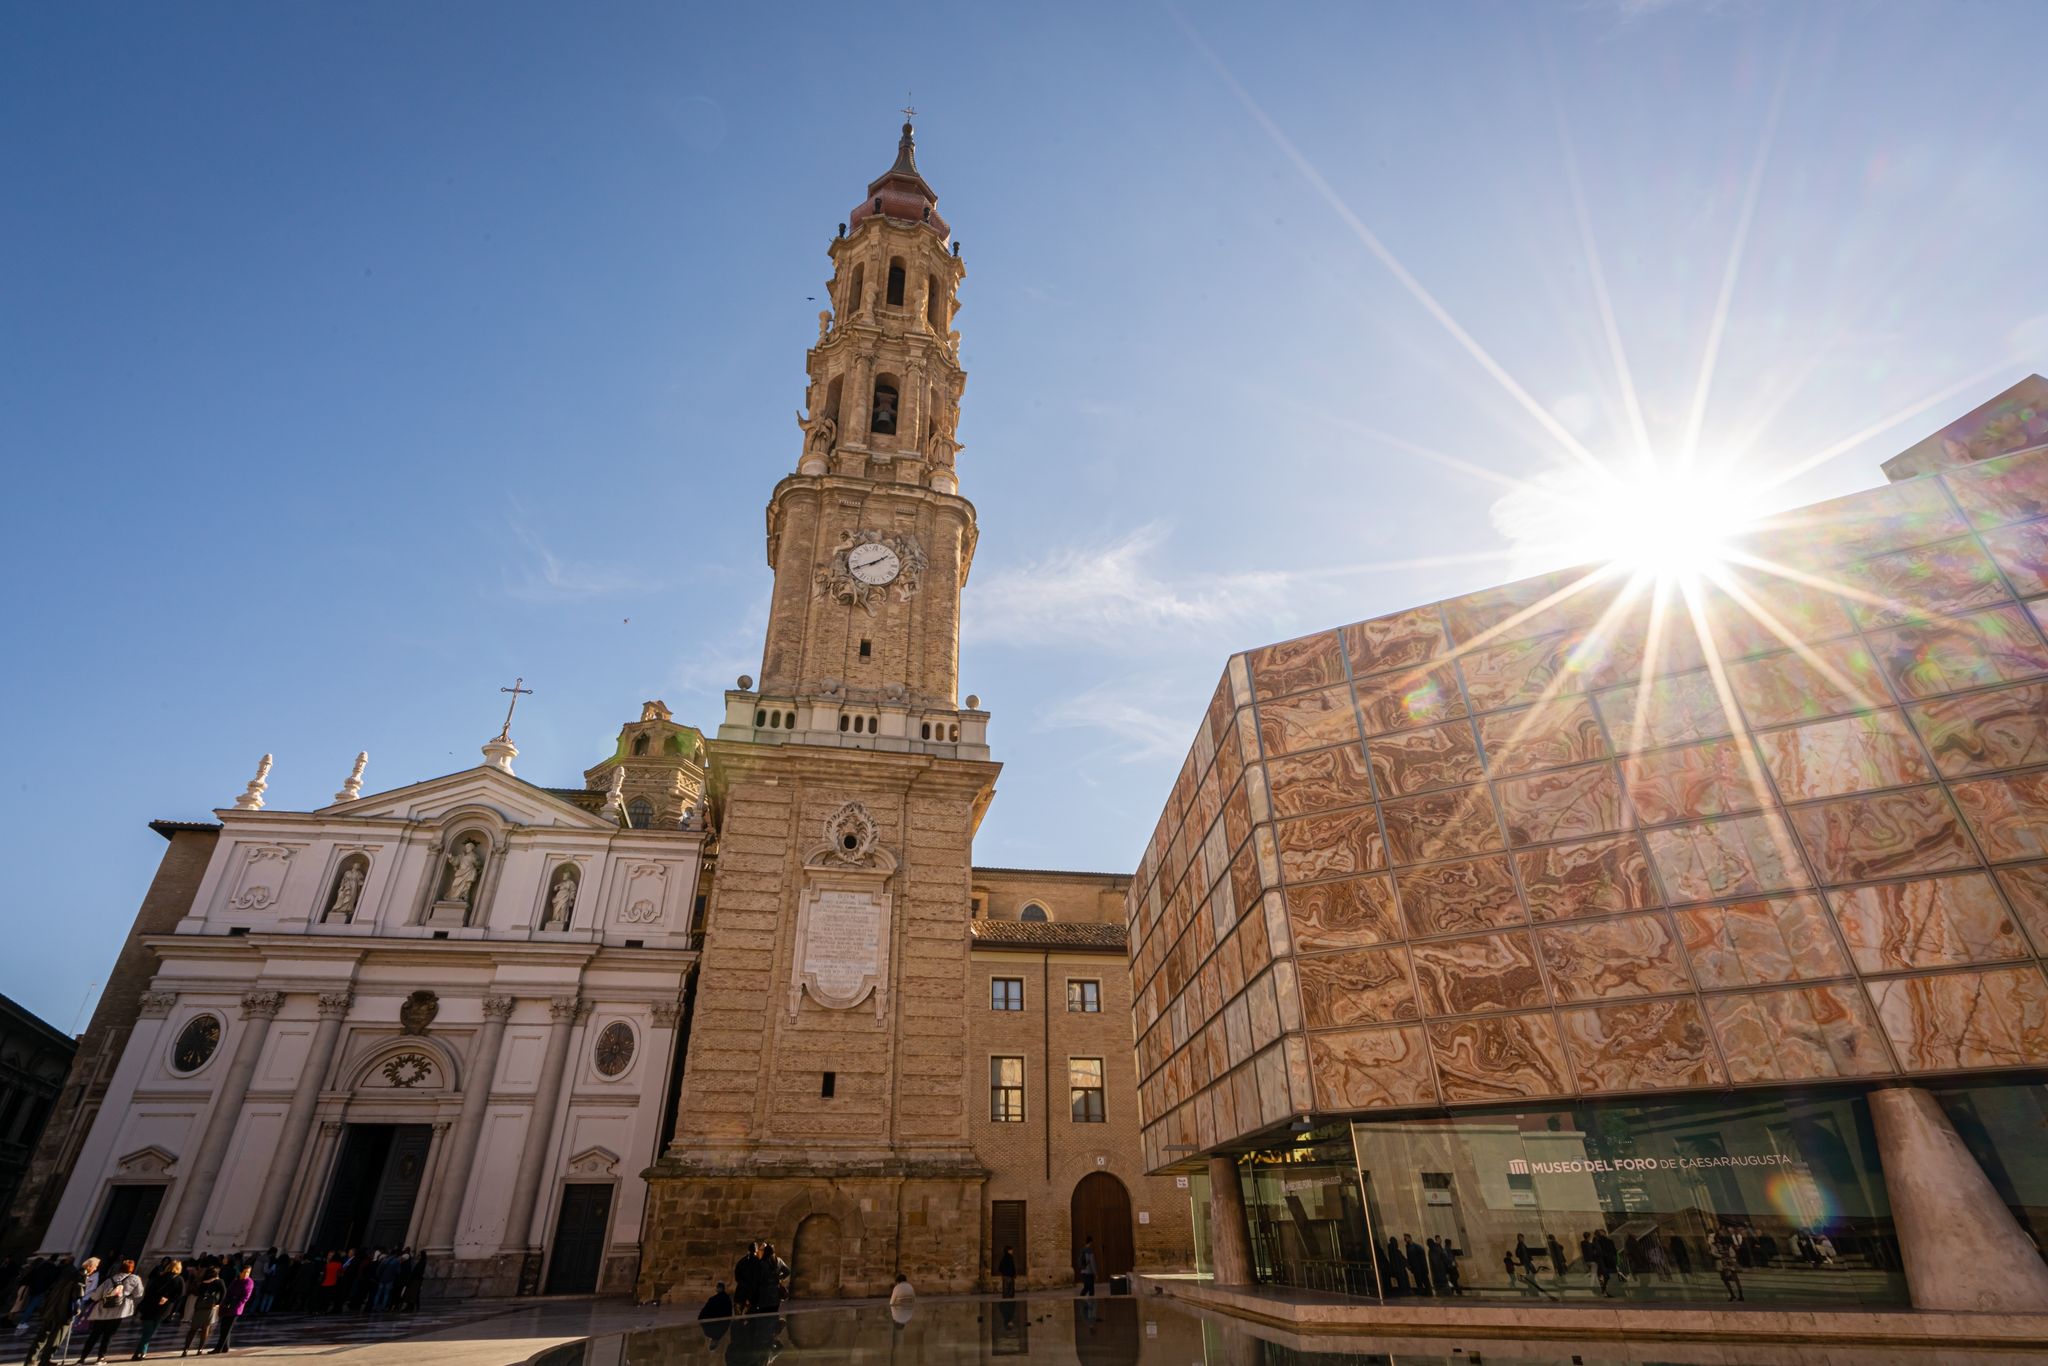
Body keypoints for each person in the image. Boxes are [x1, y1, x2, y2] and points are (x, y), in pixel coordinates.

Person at [23, 1256, 90, 1366]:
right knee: (56, 1337)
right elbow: (77, 1296)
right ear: (90, 1267)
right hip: (63, 1311)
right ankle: (45, 1360)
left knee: (42, 1335)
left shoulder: (61, 1272)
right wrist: (77, 1309)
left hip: (51, 1307)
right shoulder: (79, 1276)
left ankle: (30, 1360)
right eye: (95, 1267)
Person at [77, 1258, 144, 1362]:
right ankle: (101, 1357)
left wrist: (88, 1302)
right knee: (108, 1335)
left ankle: (83, 1357)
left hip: (102, 1311)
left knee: (94, 1335)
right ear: (132, 1269)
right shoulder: (135, 1279)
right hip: (118, 1311)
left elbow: (96, 1295)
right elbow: (138, 1294)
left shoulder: (111, 1279)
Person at [136, 1259, 184, 1359]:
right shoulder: (179, 1279)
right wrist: (168, 1299)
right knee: (151, 1330)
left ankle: (139, 1352)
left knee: (147, 1330)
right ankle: (141, 1351)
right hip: (163, 1308)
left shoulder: (160, 1276)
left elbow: (149, 1290)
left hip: (151, 1305)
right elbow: (180, 1294)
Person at [182, 1264, 224, 1356]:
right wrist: (218, 1303)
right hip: (210, 1307)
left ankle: (185, 1349)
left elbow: (198, 1293)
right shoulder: (219, 1282)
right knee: (205, 1329)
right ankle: (200, 1349)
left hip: (199, 1306)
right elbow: (224, 1292)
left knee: (193, 1329)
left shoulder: (202, 1282)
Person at [213, 1263, 253, 1352]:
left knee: (227, 1329)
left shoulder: (249, 1282)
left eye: (248, 1272)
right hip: (228, 1305)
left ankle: (218, 1348)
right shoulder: (236, 1280)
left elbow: (245, 1297)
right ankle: (225, 1347)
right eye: (245, 1272)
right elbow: (229, 1291)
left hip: (236, 1308)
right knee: (223, 1327)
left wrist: (236, 1305)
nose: (246, 1274)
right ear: (240, 1272)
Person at [1711, 1228, 1744, 1302]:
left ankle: (1740, 1294)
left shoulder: (1728, 1245)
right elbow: (1713, 1253)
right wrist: (1721, 1256)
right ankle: (1732, 1294)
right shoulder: (1714, 1245)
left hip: (1729, 1263)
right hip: (1721, 1264)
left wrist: (1729, 1257)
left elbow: (1732, 1253)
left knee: (1735, 1279)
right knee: (1725, 1280)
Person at [753, 1244, 787, 1313]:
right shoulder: (779, 1261)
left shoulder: (762, 1264)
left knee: (764, 1317)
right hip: (775, 1295)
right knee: (774, 1315)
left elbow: (759, 1279)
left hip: (764, 1295)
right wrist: (779, 1277)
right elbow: (787, 1271)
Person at [732, 1243, 761, 1315]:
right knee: (751, 1319)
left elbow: (737, 1277)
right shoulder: (758, 1262)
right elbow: (758, 1279)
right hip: (752, 1295)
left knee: (738, 1316)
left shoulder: (741, 1261)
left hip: (740, 1293)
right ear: (756, 1250)